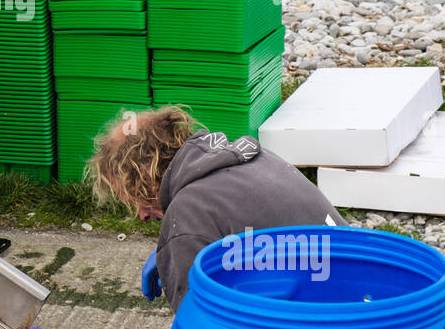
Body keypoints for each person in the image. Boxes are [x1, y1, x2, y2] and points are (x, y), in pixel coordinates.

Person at [86, 106, 342, 310]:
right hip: (357, 292)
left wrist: (182, 243)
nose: (142, 215)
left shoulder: (189, 213)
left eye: (138, 198)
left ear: (146, 173)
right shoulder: (253, 158)